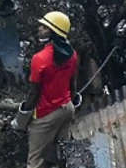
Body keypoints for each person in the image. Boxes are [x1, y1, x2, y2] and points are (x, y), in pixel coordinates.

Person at [13, 11, 80, 168]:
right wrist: (72, 103)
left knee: (35, 161)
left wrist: (20, 120)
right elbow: (73, 83)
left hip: (47, 113)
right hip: (67, 109)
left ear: (54, 33)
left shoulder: (40, 59)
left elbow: (34, 92)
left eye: (45, 27)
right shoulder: (73, 55)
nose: (39, 29)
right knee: (63, 154)